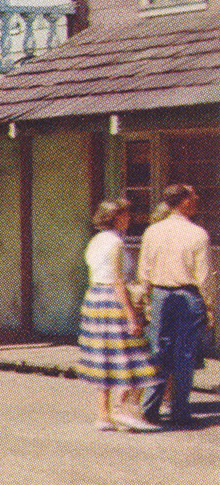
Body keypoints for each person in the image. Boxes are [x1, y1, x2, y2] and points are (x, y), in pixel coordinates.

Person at [78, 198, 160, 431]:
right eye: (125, 215)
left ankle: (103, 414)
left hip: (94, 298)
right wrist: (132, 315)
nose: (129, 219)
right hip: (113, 301)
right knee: (137, 356)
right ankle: (125, 408)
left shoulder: (95, 241)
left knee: (104, 356)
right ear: (116, 217)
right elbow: (117, 280)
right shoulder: (116, 243)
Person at [137, 183, 214, 428]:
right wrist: (210, 306)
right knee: (185, 354)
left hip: (160, 295)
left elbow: (144, 269)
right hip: (188, 296)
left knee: (158, 352)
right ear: (184, 202)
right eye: (193, 197)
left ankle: (150, 409)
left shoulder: (153, 232)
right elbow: (204, 276)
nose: (196, 200)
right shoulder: (197, 234)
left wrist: (146, 298)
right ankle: (180, 411)